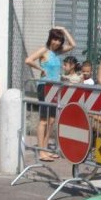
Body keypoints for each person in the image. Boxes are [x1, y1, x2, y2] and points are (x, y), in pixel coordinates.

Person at [24, 27, 75, 161]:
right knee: (43, 120)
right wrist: (40, 69)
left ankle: (45, 149)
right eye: (55, 39)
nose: (57, 42)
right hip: (45, 86)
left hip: (55, 87)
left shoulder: (57, 53)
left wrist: (64, 30)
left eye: (59, 40)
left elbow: (73, 45)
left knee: (52, 120)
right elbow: (28, 60)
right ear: (50, 39)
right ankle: (41, 151)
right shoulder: (44, 50)